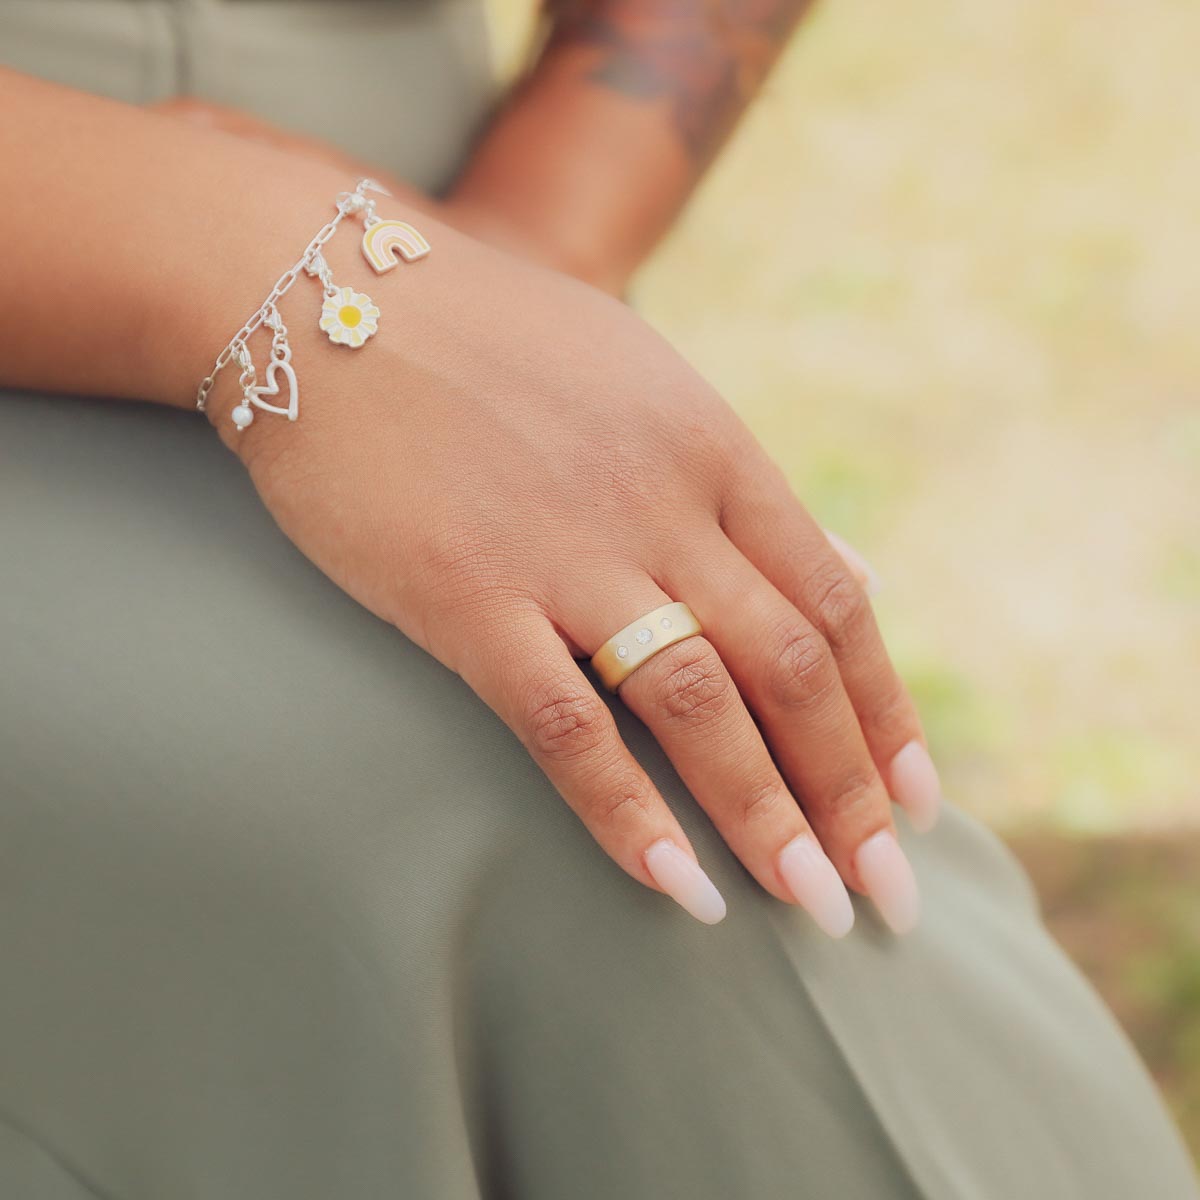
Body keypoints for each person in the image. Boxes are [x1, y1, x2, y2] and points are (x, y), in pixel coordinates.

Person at [0, 2, 1195, 1196]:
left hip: (421, 224)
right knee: (550, 822)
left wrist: (544, 224)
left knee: (713, 760)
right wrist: (267, 267)